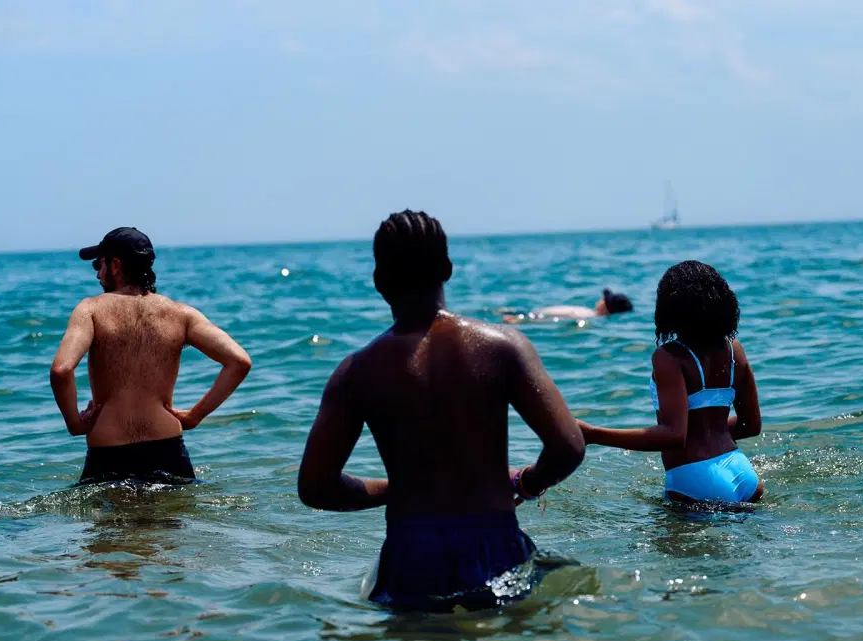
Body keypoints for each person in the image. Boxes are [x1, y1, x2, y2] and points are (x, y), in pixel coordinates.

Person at [298, 210, 585, 612]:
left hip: (410, 556)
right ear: (447, 269)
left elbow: (315, 487)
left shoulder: (356, 371)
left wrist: (401, 488)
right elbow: (568, 447)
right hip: (495, 543)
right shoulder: (504, 346)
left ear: (379, 281)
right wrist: (525, 483)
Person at [50, 227, 251, 485]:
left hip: (109, 449)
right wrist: (194, 416)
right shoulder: (182, 314)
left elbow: (61, 370)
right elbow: (239, 361)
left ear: (115, 265)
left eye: (98, 265)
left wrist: (75, 424)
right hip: (167, 447)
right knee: (170, 522)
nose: (98, 273)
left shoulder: (90, 310)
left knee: (109, 523)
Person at [577, 261, 763, 505]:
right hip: (741, 470)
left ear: (671, 309)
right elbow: (751, 425)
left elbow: (674, 436)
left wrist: (592, 434)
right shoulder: (734, 350)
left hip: (696, 479)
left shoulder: (669, 357)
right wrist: (708, 429)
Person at [503, 288, 633, 323]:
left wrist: (522, 320)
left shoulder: (585, 316)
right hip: (530, 314)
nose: (600, 300)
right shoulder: (588, 313)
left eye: (603, 300)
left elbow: (553, 318)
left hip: (529, 316)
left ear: (606, 308)